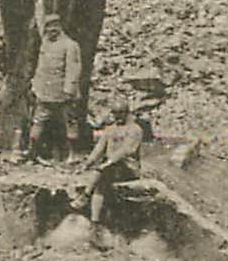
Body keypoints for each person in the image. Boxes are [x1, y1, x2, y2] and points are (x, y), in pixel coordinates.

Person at [24, 14, 82, 162]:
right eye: (48, 29)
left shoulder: (70, 45)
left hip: (64, 94)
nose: (51, 32)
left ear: (59, 28)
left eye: (54, 29)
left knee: (70, 123)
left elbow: (73, 70)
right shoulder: (45, 44)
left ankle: (73, 154)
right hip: (45, 93)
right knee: (38, 122)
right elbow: (40, 68)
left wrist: (69, 90)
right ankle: (33, 153)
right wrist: (35, 86)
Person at [82, 97, 145, 227]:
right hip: (110, 168)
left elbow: (127, 150)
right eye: (115, 113)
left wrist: (108, 162)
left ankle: (85, 195)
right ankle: (95, 222)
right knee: (100, 185)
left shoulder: (135, 129)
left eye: (120, 113)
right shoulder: (110, 129)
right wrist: (88, 162)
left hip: (128, 166)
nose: (117, 117)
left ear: (126, 113)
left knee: (101, 172)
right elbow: (99, 147)